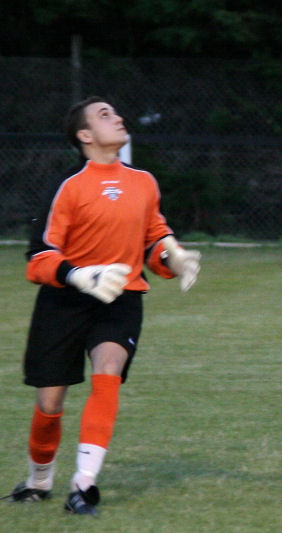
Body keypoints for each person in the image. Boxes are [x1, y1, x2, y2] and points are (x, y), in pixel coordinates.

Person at [3, 96, 200, 516]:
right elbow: (38, 258)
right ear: (85, 135)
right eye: (104, 115)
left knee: (108, 370)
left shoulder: (144, 181)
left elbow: (154, 239)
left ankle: (83, 484)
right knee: (49, 404)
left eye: (116, 112)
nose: (118, 117)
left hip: (120, 299)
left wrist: (173, 257)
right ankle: (39, 479)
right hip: (65, 301)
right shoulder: (70, 186)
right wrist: (79, 275)